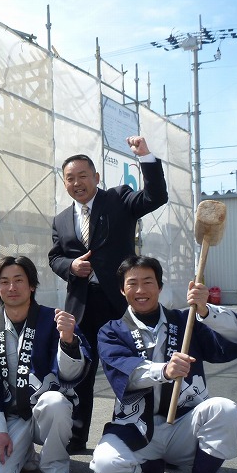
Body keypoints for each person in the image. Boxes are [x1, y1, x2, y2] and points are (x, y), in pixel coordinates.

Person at [90, 256, 237, 473]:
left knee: (224, 410)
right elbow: (124, 372)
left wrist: (206, 311)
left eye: (148, 282)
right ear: (122, 289)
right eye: (132, 283)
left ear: (160, 286)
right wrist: (165, 370)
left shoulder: (186, 320)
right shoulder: (112, 331)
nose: (141, 290)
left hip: (183, 424)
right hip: (137, 427)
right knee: (106, 467)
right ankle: (151, 466)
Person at [48, 136, 168, 452]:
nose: (77, 183)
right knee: (80, 371)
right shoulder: (61, 219)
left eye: (83, 176)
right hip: (82, 305)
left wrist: (146, 157)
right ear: (65, 183)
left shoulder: (118, 198)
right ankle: (76, 436)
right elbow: (55, 257)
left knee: (131, 368)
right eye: (70, 178)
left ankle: (141, 433)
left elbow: (156, 196)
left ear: (96, 177)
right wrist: (71, 266)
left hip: (120, 303)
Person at [0, 256, 89, 473]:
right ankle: (25, 453)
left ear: (32, 285)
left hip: (46, 414)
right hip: (10, 416)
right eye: (4, 282)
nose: (12, 287)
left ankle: (56, 470)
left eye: (19, 280)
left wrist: (68, 340)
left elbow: (71, 374)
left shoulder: (55, 321)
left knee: (55, 402)